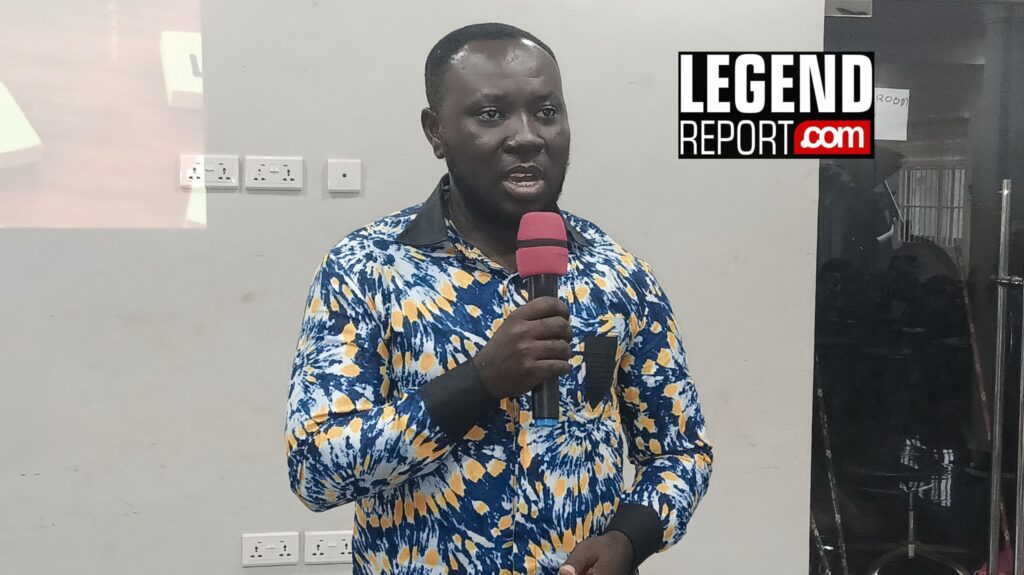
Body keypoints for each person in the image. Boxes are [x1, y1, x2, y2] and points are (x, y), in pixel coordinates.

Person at [285, 22, 712, 575]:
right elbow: (316, 471)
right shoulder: (365, 269)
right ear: (436, 132)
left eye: (547, 112)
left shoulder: (621, 275)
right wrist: (480, 381)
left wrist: (630, 539)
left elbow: (680, 452)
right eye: (491, 114)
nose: (528, 136)